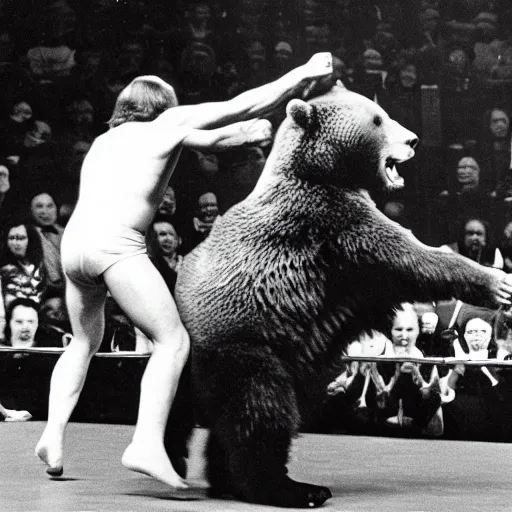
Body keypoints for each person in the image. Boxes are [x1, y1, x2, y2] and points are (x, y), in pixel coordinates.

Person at [35, 52, 334, 486]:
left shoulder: (103, 143)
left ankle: (52, 435)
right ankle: (145, 443)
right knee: (171, 341)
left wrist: (238, 135)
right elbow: (242, 104)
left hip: (74, 248)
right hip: (114, 246)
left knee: (84, 342)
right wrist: (301, 74)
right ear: (164, 108)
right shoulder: (164, 125)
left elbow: (210, 140)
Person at [0, 221, 47, 307]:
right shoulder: (4, 269)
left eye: (21, 238)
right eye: (11, 238)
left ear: (31, 240)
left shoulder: (41, 266)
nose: (16, 243)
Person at [29, 192, 65, 292]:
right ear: (31, 211)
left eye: (50, 206)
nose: (45, 211)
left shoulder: (68, 233)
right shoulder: (27, 235)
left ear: (56, 209)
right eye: (39, 206)